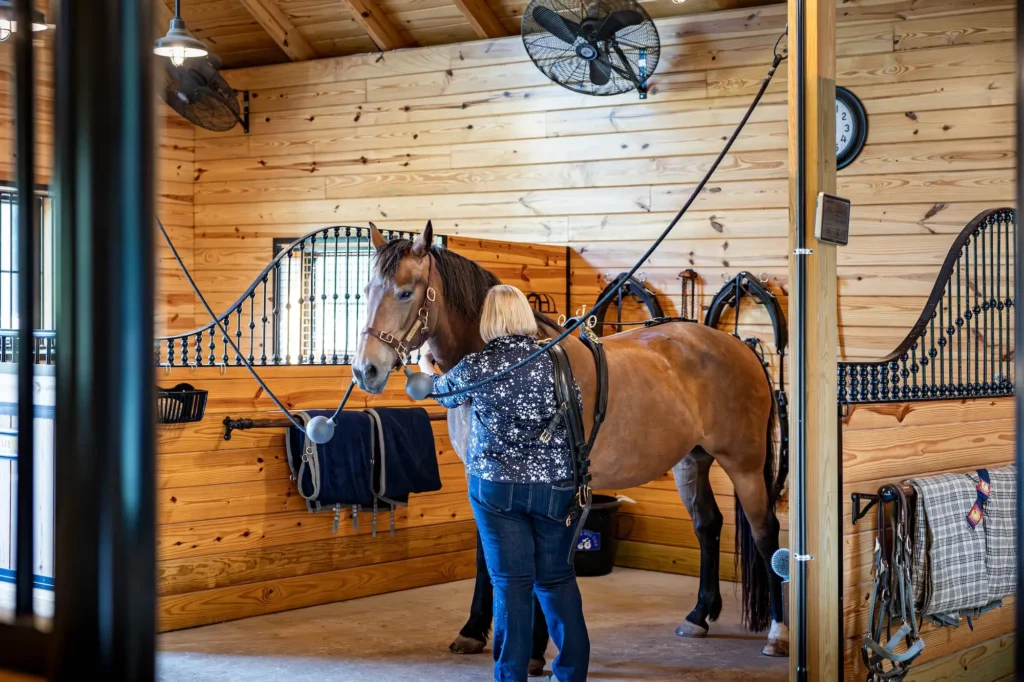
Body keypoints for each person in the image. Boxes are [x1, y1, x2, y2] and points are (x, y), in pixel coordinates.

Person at [419, 284, 589, 682]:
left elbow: (439, 392)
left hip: (495, 488)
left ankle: (510, 676)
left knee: (511, 586)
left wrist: (427, 363)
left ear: (489, 319)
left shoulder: (480, 365)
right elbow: (576, 408)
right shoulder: (557, 360)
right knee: (558, 581)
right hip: (555, 485)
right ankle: (571, 674)